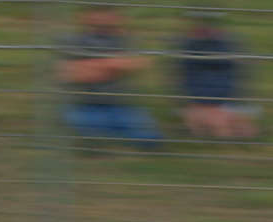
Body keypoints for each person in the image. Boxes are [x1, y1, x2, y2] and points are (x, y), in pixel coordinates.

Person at [60, 5, 162, 146]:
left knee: (151, 139)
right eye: (99, 12)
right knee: (92, 138)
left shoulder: (126, 40)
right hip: (85, 106)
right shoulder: (74, 41)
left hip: (121, 107)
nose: (104, 17)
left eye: (109, 12)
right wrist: (114, 64)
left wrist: (90, 65)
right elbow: (70, 74)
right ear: (86, 16)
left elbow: (140, 63)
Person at [177, 11, 258, 140]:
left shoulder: (228, 46)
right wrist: (202, 105)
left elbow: (238, 80)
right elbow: (184, 80)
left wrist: (223, 106)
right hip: (200, 100)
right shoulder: (188, 47)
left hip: (224, 99)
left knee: (234, 130)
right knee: (213, 128)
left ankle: (228, 131)